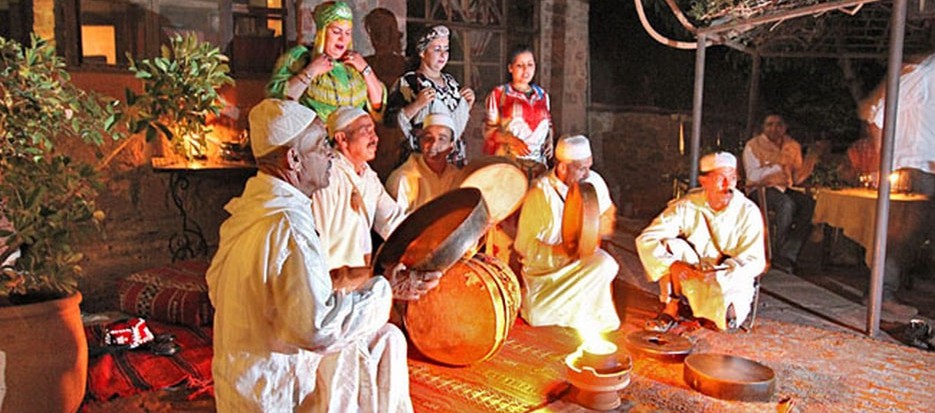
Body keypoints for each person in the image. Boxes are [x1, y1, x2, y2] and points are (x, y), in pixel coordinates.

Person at [206, 98, 440, 412]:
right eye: (320, 146)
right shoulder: (288, 225)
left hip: (242, 386)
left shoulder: (249, 213)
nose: (330, 153)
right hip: (273, 393)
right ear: (293, 159)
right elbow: (318, 327)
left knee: (386, 339)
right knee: (365, 346)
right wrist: (384, 289)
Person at [636, 152, 767, 332]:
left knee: (725, 322)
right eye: (721, 178)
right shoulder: (687, 205)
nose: (728, 186)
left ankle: (705, 309)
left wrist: (720, 273)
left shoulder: (748, 212)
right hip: (695, 271)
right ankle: (671, 308)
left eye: (733, 178)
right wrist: (673, 264)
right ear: (704, 181)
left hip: (730, 277)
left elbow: (755, 262)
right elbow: (647, 238)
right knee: (670, 244)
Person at [513, 135, 620, 332]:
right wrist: (562, 251)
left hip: (580, 261)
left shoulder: (594, 181)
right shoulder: (540, 193)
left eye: (589, 166)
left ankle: (582, 311)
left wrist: (592, 238)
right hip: (548, 273)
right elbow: (523, 246)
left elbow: (606, 214)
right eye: (581, 168)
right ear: (563, 168)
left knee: (606, 264)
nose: (588, 174)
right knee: (538, 315)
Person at [856, 52, 935, 313]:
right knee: (904, 236)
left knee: (913, 236)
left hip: (927, 168)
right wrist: (881, 164)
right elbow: (878, 115)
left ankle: (890, 288)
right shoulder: (924, 72)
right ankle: (881, 294)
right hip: (915, 166)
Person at [311, 106, 407, 270]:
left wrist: (426, 242)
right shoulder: (327, 176)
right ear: (342, 139)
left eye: (374, 131)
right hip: (331, 282)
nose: (375, 138)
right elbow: (318, 241)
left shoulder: (368, 176)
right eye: (366, 131)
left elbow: (393, 222)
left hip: (358, 280)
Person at [266, 1, 385, 121]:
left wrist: (365, 69)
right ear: (322, 32)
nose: (343, 38)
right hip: (315, 136)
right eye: (336, 32)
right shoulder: (299, 57)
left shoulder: (354, 64)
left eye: (348, 33)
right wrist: (311, 70)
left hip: (353, 136)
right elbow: (279, 103)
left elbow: (378, 105)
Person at [386, 25, 475, 167]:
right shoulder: (408, 82)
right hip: (421, 161)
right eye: (437, 49)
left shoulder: (451, 83)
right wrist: (417, 105)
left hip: (452, 160)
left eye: (446, 49)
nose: (443, 55)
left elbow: (455, 125)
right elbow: (390, 122)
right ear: (422, 52)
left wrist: (467, 105)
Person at [742, 114, 817, 273]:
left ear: (784, 127)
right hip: (760, 189)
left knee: (809, 204)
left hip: (784, 188)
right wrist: (777, 166)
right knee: (786, 204)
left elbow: (797, 178)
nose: (774, 128)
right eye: (770, 124)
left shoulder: (792, 146)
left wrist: (812, 158)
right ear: (763, 127)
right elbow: (753, 176)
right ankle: (778, 253)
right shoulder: (753, 145)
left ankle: (788, 253)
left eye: (778, 125)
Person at [483, 46, 553, 179]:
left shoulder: (542, 95)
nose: (526, 70)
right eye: (520, 65)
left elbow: (548, 124)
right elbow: (489, 131)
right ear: (510, 68)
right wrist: (511, 140)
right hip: (509, 164)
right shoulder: (499, 94)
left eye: (530, 65)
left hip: (538, 164)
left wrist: (550, 141)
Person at [385, 113, 462, 213]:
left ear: (451, 147)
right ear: (421, 142)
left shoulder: (457, 177)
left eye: (442, 139)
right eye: (428, 138)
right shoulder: (403, 178)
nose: (434, 144)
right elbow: (396, 224)